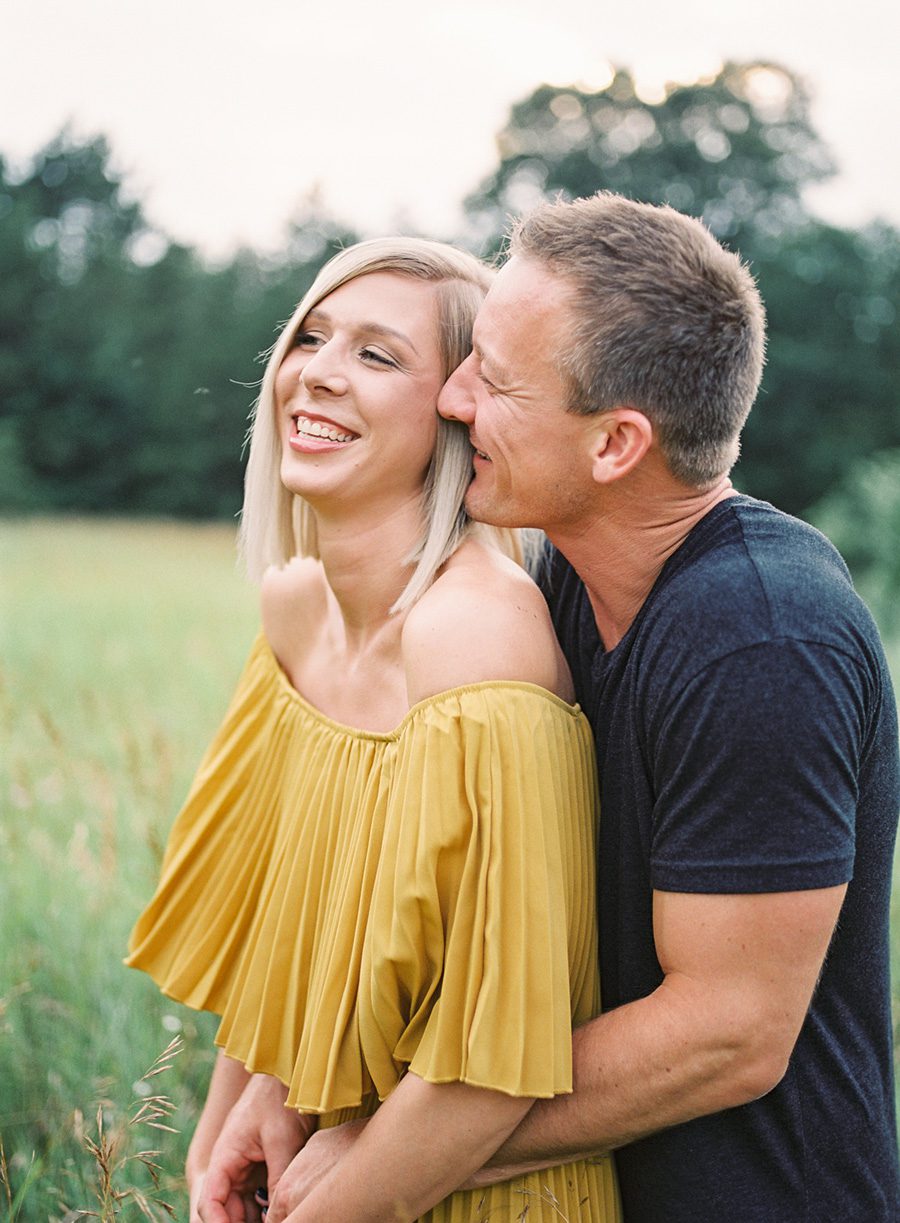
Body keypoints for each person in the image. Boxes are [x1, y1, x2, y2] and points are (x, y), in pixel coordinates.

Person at [225, 194, 900, 1222]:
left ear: (616, 444)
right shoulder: (560, 586)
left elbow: (729, 1033)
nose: (451, 400)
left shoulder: (763, 639)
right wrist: (283, 1082)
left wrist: (404, 1142)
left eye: (491, 380)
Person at [125, 236, 621, 1222]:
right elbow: (287, 932)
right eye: (311, 336)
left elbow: (496, 1057)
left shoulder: (480, 642)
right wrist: (230, 1116)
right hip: (322, 1173)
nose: (318, 372)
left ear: (458, 406)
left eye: (376, 354)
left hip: (471, 1195)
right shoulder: (299, 618)